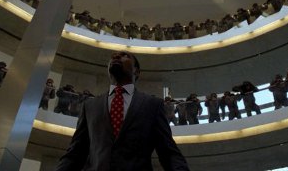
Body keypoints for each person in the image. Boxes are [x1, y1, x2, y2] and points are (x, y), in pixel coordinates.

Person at [56, 51, 189, 171]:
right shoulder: (90, 106)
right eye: (113, 56)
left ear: (136, 71)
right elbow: (75, 154)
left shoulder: (152, 105)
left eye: (125, 55)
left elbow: (168, 153)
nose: (116, 56)